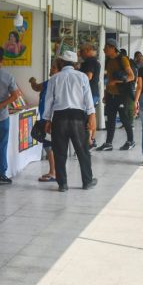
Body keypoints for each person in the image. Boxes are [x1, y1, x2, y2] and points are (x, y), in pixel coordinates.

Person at [43, 51, 97, 192]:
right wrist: (92, 115)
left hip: (59, 118)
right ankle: (87, 181)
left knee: (59, 151)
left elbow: (49, 101)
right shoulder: (82, 77)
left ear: (61, 63)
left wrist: (47, 120)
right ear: (75, 64)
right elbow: (88, 98)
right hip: (77, 117)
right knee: (82, 151)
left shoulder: (54, 78)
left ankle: (63, 184)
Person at [97, 38, 135, 151]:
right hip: (111, 95)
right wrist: (106, 93)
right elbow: (109, 79)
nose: (104, 50)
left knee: (124, 119)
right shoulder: (109, 60)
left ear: (113, 48)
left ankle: (130, 141)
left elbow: (131, 76)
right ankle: (108, 143)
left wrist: (116, 82)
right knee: (111, 119)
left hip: (122, 95)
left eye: (106, 48)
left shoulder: (123, 59)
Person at [29, 59, 61, 182]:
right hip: (46, 118)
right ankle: (54, 171)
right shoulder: (49, 82)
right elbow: (37, 87)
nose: (50, 69)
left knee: (49, 145)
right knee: (48, 145)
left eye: (53, 67)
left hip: (51, 120)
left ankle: (54, 172)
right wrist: (32, 81)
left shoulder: (57, 83)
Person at [0, 47, 21, 185]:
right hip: (2, 116)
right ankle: (0, 174)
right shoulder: (7, 76)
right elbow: (16, 95)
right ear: (3, 60)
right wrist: (1, 105)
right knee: (1, 145)